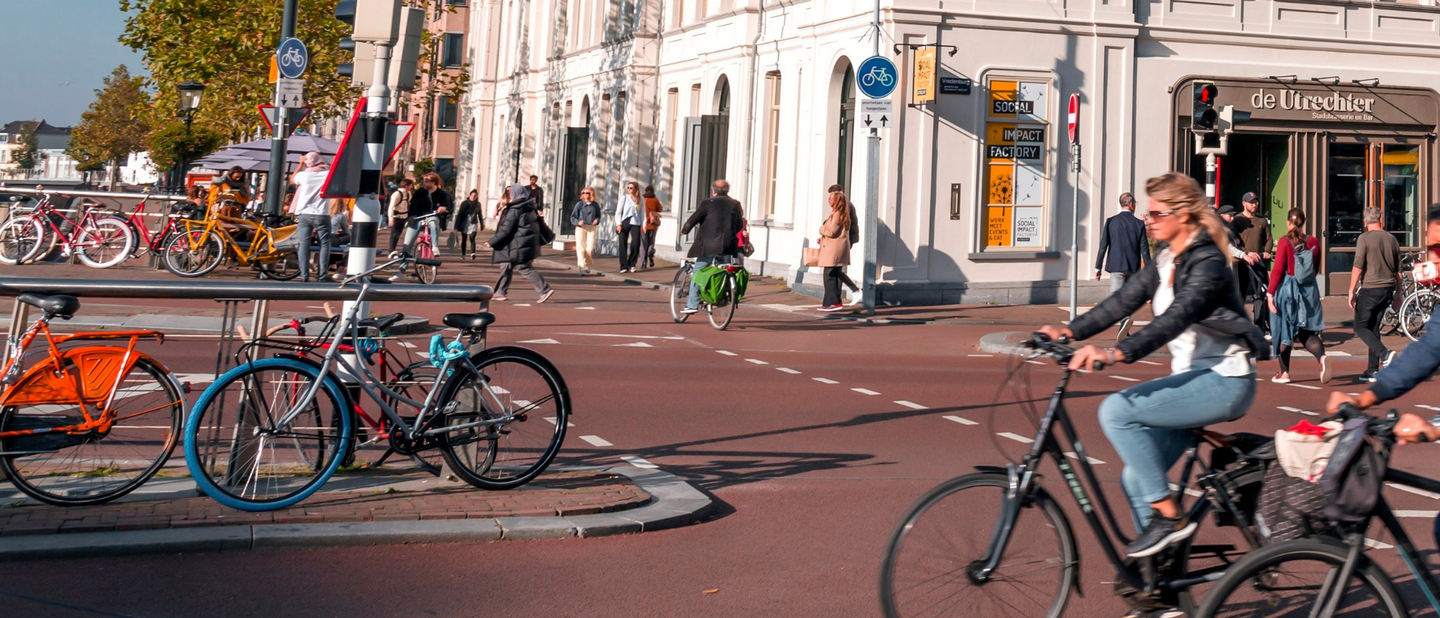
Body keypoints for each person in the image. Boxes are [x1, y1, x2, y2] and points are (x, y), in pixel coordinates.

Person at [1037, 172, 1264, 565]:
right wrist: (1069, 331)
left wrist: (1116, 354)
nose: (1148, 220)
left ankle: (1169, 516)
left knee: (1116, 410)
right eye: (1147, 213)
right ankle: (1159, 578)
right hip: (1194, 379)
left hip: (1226, 380)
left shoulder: (1208, 260)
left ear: (1184, 215)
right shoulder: (1166, 258)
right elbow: (1122, 301)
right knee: (1135, 477)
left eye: (1157, 214)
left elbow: (1175, 318)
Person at [1328, 205, 1440, 550]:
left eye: (1438, 249)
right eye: (1430, 249)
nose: (1431, 259)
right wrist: (1364, 398)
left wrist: (1435, 427)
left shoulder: (1366, 239)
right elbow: (1427, 351)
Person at [1269, 208, 1330, 384]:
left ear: (1288, 222)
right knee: (1306, 332)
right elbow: (1316, 268)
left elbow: (1277, 271)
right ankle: (1321, 358)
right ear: (1303, 223)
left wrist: (1270, 294)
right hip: (1309, 291)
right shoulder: (1313, 241)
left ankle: (1284, 372)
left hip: (1288, 290)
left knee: (1284, 330)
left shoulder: (1284, 242)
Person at [1349, 205, 1403, 382]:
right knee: (1373, 327)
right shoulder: (1392, 239)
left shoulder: (1364, 238)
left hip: (1371, 288)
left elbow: (1358, 266)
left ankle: (1384, 354)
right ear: (1381, 220)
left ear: (1365, 222)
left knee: (1359, 326)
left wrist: (1351, 290)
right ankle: (1373, 370)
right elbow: (1398, 272)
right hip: (1387, 289)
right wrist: (1398, 293)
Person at [679, 180, 745, 314]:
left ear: (713, 191)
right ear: (727, 190)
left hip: (708, 246)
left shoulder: (708, 203)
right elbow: (739, 225)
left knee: (698, 272)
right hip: (728, 246)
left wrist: (684, 230)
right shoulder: (735, 204)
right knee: (722, 272)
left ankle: (692, 304)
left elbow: (692, 220)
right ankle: (719, 299)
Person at [485, 184, 555, 303]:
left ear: (516, 193)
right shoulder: (529, 207)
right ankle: (500, 292)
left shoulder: (515, 209)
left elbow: (506, 230)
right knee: (506, 266)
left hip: (516, 244)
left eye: (510, 192)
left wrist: (491, 242)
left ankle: (544, 289)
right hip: (523, 243)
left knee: (523, 267)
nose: (509, 195)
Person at [391, 172, 450, 281]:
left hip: (432, 216)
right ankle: (402, 271)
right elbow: (412, 206)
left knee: (433, 222)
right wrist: (410, 217)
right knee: (407, 244)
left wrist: (443, 208)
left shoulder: (441, 194)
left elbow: (446, 205)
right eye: (424, 180)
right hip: (418, 218)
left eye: (427, 181)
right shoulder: (420, 192)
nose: (424, 183)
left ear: (434, 182)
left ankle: (435, 246)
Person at [289, 152, 334, 282]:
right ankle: (322, 275)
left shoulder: (304, 175)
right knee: (324, 244)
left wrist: (300, 165)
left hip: (304, 213)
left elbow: (292, 179)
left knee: (303, 244)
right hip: (322, 213)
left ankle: (304, 275)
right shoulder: (328, 174)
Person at [1094, 192, 1149, 294]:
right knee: (1130, 299)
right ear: (1131, 204)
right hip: (1133, 267)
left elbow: (1103, 246)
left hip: (1116, 265)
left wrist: (1098, 267)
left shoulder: (1111, 222)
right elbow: (1144, 250)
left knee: (1115, 299)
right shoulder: (1139, 224)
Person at [1233, 192, 1273, 331]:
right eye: (1251, 202)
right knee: (1240, 294)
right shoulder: (1237, 220)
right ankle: (1239, 325)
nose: (1254, 205)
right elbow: (1233, 243)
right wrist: (1245, 253)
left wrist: (1266, 252)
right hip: (1242, 263)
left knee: (1260, 294)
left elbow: (1269, 238)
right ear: (1244, 204)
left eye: (1255, 202)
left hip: (1258, 263)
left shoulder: (1262, 220)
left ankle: (1260, 324)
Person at [816, 190, 854, 312]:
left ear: (837, 201)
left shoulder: (838, 214)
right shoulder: (836, 213)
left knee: (830, 276)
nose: (829, 201)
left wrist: (821, 229)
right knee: (829, 275)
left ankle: (835, 302)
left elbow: (832, 232)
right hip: (832, 247)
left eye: (831, 199)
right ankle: (828, 303)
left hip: (834, 249)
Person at [825, 184, 863, 305]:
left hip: (842, 241)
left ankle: (854, 291)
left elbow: (839, 226)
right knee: (836, 270)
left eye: (832, 195)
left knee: (835, 270)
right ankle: (838, 298)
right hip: (844, 240)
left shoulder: (844, 206)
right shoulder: (845, 205)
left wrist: (824, 228)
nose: (830, 199)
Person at [570, 187, 602, 275]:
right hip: (581, 227)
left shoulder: (595, 205)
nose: (585, 195)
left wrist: (597, 220)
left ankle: (584, 264)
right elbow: (573, 217)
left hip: (591, 227)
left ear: (592, 194)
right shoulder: (579, 204)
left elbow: (598, 216)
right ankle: (582, 268)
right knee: (580, 248)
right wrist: (577, 222)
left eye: (587, 193)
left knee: (590, 248)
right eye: (583, 193)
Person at [615, 182, 643, 272]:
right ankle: (624, 266)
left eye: (631, 188)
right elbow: (618, 212)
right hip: (625, 221)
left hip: (636, 222)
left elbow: (643, 213)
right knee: (623, 244)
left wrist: (644, 225)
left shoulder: (640, 199)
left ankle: (632, 263)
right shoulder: (624, 198)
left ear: (636, 189)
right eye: (628, 188)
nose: (629, 189)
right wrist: (618, 224)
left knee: (636, 243)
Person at [387, 178, 414, 253]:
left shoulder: (408, 194)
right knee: (394, 234)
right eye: (411, 185)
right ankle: (391, 250)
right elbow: (391, 207)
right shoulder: (397, 194)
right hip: (396, 217)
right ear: (406, 186)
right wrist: (390, 219)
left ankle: (393, 250)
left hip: (404, 216)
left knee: (398, 234)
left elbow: (409, 204)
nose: (412, 186)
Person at [642, 185, 663, 269]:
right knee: (651, 241)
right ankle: (650, 252)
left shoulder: (643, 200)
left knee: (643, 244)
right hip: (653, 225)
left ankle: (643, 263)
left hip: (644, 225)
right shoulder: (655, 200)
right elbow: (660, 209)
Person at [457, 189, 481, 259]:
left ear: (476, 197)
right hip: (465, 222)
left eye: (475, 196)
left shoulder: (478, 204)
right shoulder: (464, 203)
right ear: (469, 196)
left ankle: (473, 253)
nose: (473, 197)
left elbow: (480, 214)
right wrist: (456, 225)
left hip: (473, 222)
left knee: (472, 238)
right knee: (464, 239)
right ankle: (463, 254)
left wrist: (482, 224)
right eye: (472, 196)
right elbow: (460, 214)